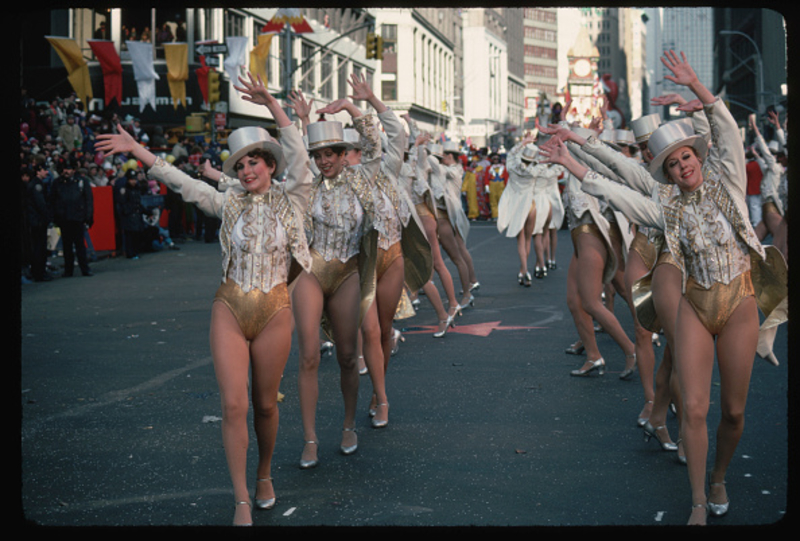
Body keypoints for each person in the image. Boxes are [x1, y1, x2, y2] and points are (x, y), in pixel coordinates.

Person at [540, 51, 787, 526]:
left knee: (733, 414)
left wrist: (697, 86)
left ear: (698, 155)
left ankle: (718, 475)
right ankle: (697, 499)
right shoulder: (664, 204)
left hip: (739, 301)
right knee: (695, 406)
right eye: (672, 164)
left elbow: (730, 132)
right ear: (666, 170)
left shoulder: (729, 180)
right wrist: (571, 154)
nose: (681, 167)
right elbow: (616, 186)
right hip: (693, 300)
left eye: (686, 158)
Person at [96, 73, 313, 527]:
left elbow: (297, 151)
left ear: (270, 166)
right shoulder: (226, 203)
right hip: (230, 308)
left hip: (276, 310)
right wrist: (137, 150)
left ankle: (264, 474)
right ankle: (240, 499)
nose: (247, 170)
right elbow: (179, 181)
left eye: (255, 162)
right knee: (234, 404)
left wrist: (273, 103)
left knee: (267, 404)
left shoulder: (295, 199)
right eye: (241, 165)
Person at [290, 75, 384, 470]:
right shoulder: (307, 184)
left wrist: (360, 105)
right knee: (309, 354)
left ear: (346, 153)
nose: (324, 160)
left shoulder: (364, 179)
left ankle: (348, 424)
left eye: (332, 152)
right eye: (319, 154)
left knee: (348, 356)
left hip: (347, 272)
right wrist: (300, 119)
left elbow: (380, 144)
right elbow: (290, 155)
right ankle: (310, 438)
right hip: (311, 270)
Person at [418, 139, 480, 312]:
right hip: (440, 215)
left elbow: (435, 166)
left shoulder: (453, 170)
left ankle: (468, 291)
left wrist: (423, 147)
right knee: (435, 254)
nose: (440, 159)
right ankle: (427, 285)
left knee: (458, 254)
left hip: (450, 216)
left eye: (442, 155)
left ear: (449, 156)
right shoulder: (442, 170)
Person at [496, 132, 539, 285]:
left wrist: (523, 143)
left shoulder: (512, 166)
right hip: (531, 204)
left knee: (520, 240)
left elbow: (511, 154)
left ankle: (525, 270)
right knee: (528, 239)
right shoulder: (534, 170)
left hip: (517, 205)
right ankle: (523, 270)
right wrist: (530, 146)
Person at [50, 154, 94, 277]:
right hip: (64, 218)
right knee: (67, 246)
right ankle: (68, 270)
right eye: (64, 169)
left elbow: (88, 200)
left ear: (74, 170)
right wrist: (55, 217)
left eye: (68, 169)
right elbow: (52, 201)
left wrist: (88, 216)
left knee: (80, 245)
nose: (66, 171)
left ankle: (85, 268)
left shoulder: (81, 181)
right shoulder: (57, 183)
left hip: (78, 217)